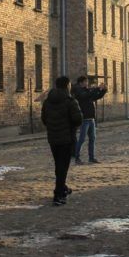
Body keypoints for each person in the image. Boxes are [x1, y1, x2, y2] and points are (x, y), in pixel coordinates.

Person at [41, 76, 83, 205]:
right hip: (66, 139)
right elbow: (78, 120)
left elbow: (44, 119)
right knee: (62, 167)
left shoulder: (47, 102)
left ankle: (63, 188)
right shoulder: (70, 101)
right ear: (67, 86)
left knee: (58, 164)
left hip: (53, 138)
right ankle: (58, 194)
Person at [72, 75, 107, 164]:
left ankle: (91, 157)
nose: (87, 83)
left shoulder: (87, 91)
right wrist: (97, 88)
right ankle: (77, 158)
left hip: (91, 119)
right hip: (84, 119)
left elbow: (96, 97)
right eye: (85, 82)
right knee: (82, 139)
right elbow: (86, 96)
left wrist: (103, 90)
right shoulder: (78, 91)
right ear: (81, 83)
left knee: (92, 139)